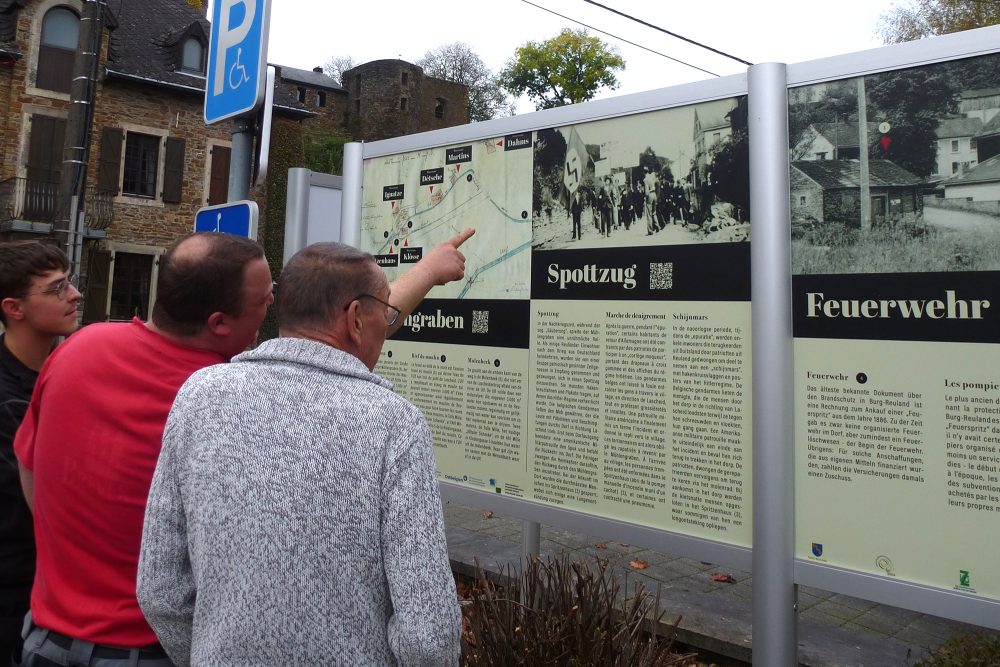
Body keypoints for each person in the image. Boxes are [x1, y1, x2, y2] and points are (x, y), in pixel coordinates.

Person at [14, 228, 472, 667]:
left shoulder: (79, 351)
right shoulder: (211, 394)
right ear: (219, 323)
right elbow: (339, 341)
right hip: (143, 647)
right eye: (264, 301)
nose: (274, 306)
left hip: (46, 634)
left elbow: (28, 465)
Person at [137, 242, 461, 666]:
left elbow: (159, 590)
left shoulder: (199, 396)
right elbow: (429, 636)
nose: (389, 321)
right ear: (356, 319)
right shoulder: (394, 424)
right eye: (386, 310)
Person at [0, 241, 80, 666]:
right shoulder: (6, 399)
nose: (75, 294)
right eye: (57, 288)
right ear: (15, 308)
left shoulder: (63, 374)